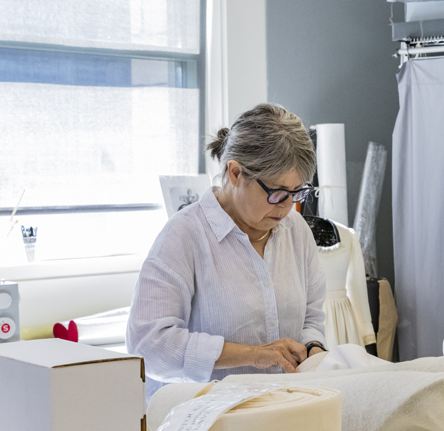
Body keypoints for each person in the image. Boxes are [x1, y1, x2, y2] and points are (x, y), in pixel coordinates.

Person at [127, 103, 328, 401]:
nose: (287, 207)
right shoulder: (184, 236)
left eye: (297, 193)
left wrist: (313, 348)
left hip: (285, 411)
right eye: (276, 193)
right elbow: (148, 345)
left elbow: (311, 317)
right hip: (205, 423)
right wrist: (252, 355)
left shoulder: (295, 230)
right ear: (235, 173)